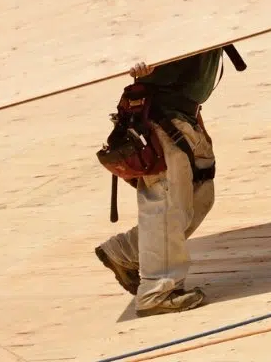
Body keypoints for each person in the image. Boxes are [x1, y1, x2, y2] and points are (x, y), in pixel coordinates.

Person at [95, 47, 224, 317]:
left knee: (200, 194)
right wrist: (135, 57)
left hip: (184, 113)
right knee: (166, 203)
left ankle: (126, 250)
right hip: (161, 115)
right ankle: (157, 292)